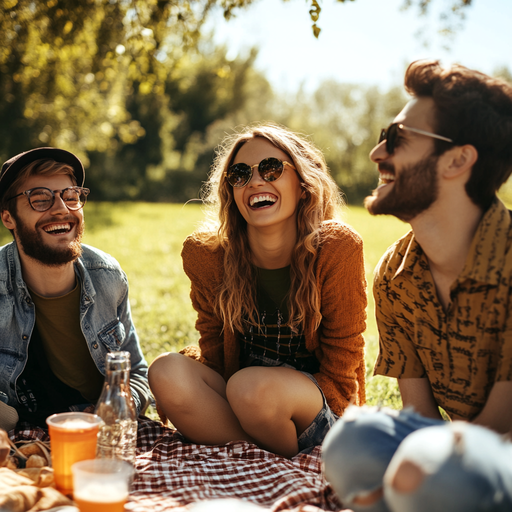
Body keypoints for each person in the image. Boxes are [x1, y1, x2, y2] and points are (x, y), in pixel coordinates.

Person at [321, 59, 512, 512]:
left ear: (458, 160)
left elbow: (498, 423)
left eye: (396, 138)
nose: (376, 154)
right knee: (351, 442)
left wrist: (429, 460)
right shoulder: (395, 277)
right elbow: (420, 417)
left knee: (433, 472)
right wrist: (427, 454)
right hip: (461, 448)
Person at [149, 123, 367, 458]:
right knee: (166, 372)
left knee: (251, 388)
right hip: (245, 402)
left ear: (304, 183)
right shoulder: (205, 254)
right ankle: (264, 459)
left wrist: (344, 419)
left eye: (271, 168)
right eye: (239, 174)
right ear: (231, 191)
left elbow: (344, 358)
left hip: (319, 405)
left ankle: (254, 451)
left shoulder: (336, 247)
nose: (254, 182)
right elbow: (215, 345)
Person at [0, 147, 150, 430]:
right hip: (20, 427)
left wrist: (119, 405)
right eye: (41, 199)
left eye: (71, 197)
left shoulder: (107, 277)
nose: (61, 209)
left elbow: (138, 373)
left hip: (97, 430)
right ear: (8, 217)